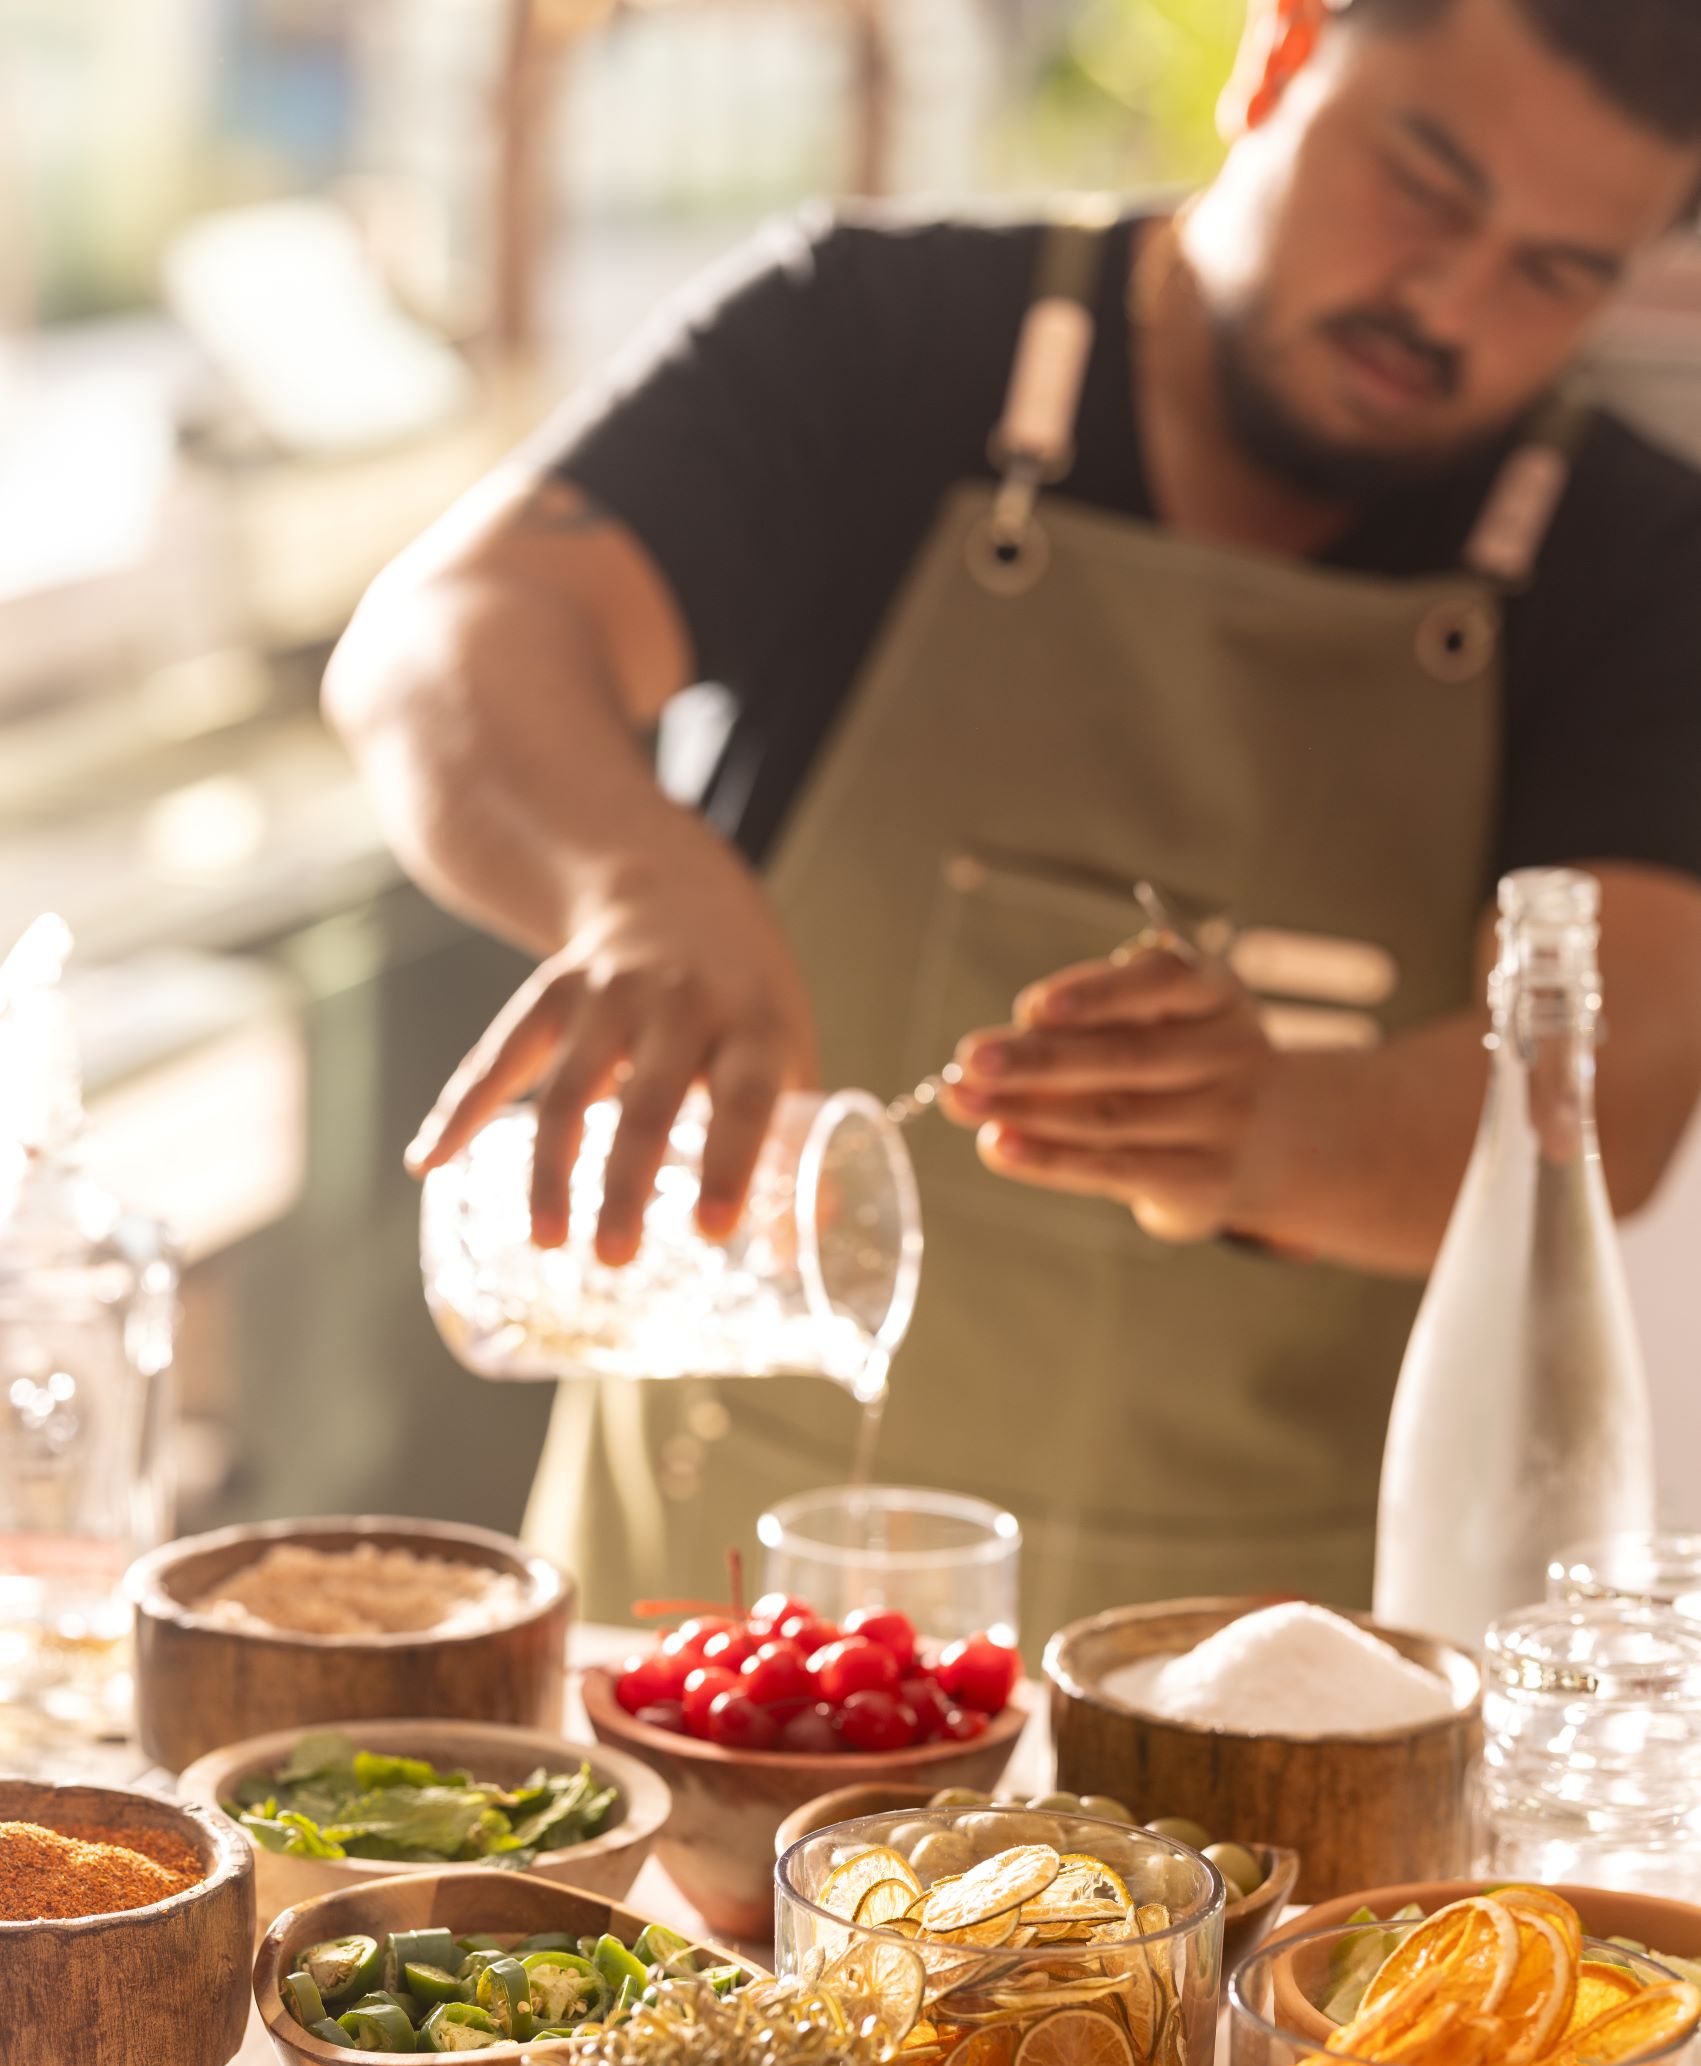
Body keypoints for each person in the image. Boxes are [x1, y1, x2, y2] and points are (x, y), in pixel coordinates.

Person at [327, 0, 1701, 1638]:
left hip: (1268, 1685)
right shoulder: (876, 339)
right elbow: (449, 637)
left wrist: (1271, 1130)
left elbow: (1602, 1098)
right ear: (1277, 62)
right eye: (1421, 182)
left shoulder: (1636, 561)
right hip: (705, 1630)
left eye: (1553, 269)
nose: (1446, 301)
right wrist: (636, 886)